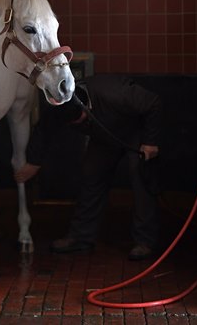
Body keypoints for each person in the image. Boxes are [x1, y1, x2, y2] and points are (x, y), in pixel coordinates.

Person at [14, 74, 162, 260]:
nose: (80, 125)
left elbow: (154, 103)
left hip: (136, 131)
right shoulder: (59, 104)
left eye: (82, 120)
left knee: (140, 177)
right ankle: (81, 237)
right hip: (104, 136)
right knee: (91, 174)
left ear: (86, 107)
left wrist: (150, 141)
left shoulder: (115, 94)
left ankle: (145, 241)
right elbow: (43, 129)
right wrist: (34, 163)